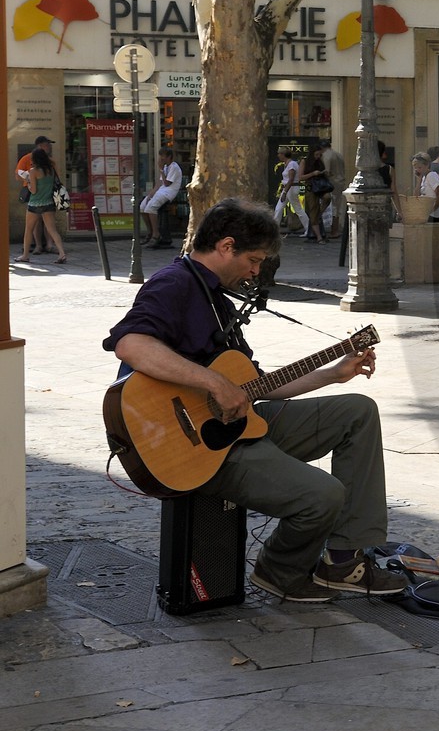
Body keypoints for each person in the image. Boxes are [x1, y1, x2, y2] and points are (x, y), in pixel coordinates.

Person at [102, 198, 403, 603]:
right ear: (226, 247)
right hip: (202, 450)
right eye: (254, 259)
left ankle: (344, 560)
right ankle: (280, 570)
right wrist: (211, 381)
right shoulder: (174, 284)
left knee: (357, 411)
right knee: (324, 494)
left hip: (241, 422)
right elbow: (130, 344)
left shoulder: (217, 300)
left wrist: (334, 372)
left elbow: (255, 385)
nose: (256, 270)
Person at [18, 147, 67, 264]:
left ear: (35, 159)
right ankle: (62, 253)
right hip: (49, 203)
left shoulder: (33, 171)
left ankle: (25, 255)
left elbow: (33, 191)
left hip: (35, 204)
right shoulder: (51, 169)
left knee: (28, 230)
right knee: (52, 230)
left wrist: (29, 182)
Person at [16, 135, 54, 259]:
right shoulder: (27, 158)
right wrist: (29, 178)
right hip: (34, 194)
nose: (49, 147)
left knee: (48, 222)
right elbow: (17, 175)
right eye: (47, 144)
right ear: (40, 146)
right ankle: (38, 245)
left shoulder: (49, 161)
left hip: (46, 193)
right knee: (36, 222)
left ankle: (49, 244)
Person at [140, 147, 184, 248]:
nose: (161, 160)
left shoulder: (174, 167)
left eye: (163, 158)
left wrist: (160, 170)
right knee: (143, 207)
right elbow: (159, 183)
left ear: (169, 157)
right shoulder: (165, 167)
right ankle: (150, 231)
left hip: (169, 192)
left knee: (151, 209)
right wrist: (151, 193)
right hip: (161, 190)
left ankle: (156, 234)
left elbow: (167, 183)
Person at [272, 147, 309, 236]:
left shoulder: (292, 165)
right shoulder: (288, 164)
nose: (278, 155)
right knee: (278, 209)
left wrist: (284, 192)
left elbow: (291, 179)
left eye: (279, 153)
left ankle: (309, 228)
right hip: (288, 189)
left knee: (298, 210)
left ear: (283, 155)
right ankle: (274, 231)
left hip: (291, 189)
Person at [298, 147, 329, 243]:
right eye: (316, 155)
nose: (318, 157)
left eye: (319, 155)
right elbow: (300, 177)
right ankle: (318, 236)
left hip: (320, 186)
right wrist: (312, 174)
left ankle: (318, 215)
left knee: (327, 198)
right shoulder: (305, 161)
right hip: (310, 187)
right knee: (313, 210)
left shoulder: (320, 162)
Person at [319, 139, 346, 238]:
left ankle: (334, 231)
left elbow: (327, 171)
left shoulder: (326, 156)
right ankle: (336, 230)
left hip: (331, 183)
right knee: (337, 207)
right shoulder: (339, 155)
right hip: (341, 182)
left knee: (332, 207)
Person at [410, 152, 439, 221]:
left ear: (427, 165)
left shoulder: (431, 176)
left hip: (432, 214)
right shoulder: (423, 177)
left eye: (419, 167)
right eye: (415, 168)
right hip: (424, 212)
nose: (417, 170)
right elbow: (416, 196)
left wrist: (431, 209)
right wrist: (419, 179)